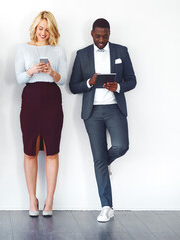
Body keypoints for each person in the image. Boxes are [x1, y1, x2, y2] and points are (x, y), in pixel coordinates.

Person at [69, 18, 136, 222]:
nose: (101, 40)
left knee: (121, 146)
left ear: (109, 33)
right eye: (98, 36)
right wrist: (89, 82)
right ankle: (107, 206)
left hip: (114, 109)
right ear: (91, 34)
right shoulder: (81, 55)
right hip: (93, 113)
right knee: (98, 159)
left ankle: (103, 164)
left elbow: (133, 80)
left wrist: (118, 87)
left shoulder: (121, 52)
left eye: (105, 36)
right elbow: (73, 86)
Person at [15, 11, 67, 217]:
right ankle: (32, 200)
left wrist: (52, 72)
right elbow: (18, 78)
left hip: (52, 99)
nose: (43, 32)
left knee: (52, 151)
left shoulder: (58, 49)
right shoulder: (23, 48)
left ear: (52, 30)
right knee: (30, 152)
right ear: (35, 28)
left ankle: (49, 200)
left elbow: (62, 80)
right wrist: (31, 71)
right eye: (40, 28)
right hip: (30, 100)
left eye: (47, 28)